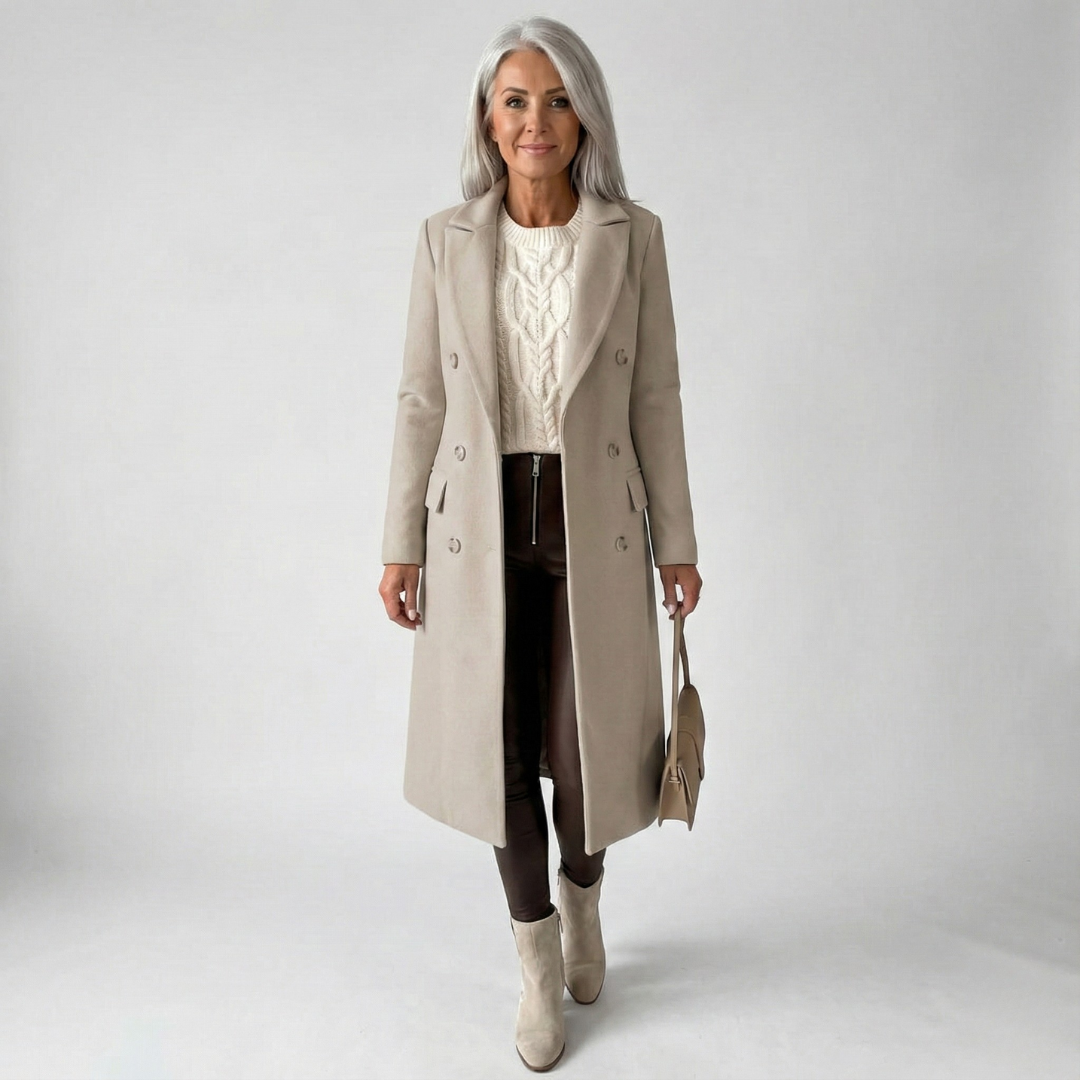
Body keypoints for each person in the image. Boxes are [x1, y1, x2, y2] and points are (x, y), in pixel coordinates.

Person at [378, 15, 701, 1072]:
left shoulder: (632, 236)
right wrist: (399, 542)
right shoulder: (444, 238)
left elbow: (656, 398)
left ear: (585, 118)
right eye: (516, 100)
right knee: (500, 752)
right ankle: (535, 964)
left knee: (584, 749)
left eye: (558, 101)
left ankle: (584, 901)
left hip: (592, 521)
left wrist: (678, 543)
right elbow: (420, 398)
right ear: (488, 118)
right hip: (472, 529)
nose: (536, 121)